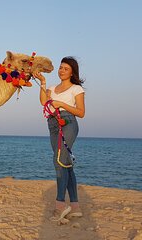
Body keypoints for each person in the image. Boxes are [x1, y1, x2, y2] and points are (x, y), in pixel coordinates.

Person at [33, 56, 85, 220]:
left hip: (68, 122)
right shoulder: (52, 88)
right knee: (66, 164)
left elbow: (81, 112)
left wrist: (61, 104)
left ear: (72, 72)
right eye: (61, 67)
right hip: (53, 124)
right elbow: (44, 102)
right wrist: (42, 81)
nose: (62, 71)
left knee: (59, 161)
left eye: (66, 69)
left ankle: (60, 204)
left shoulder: (76, 89)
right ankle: (75, 206)